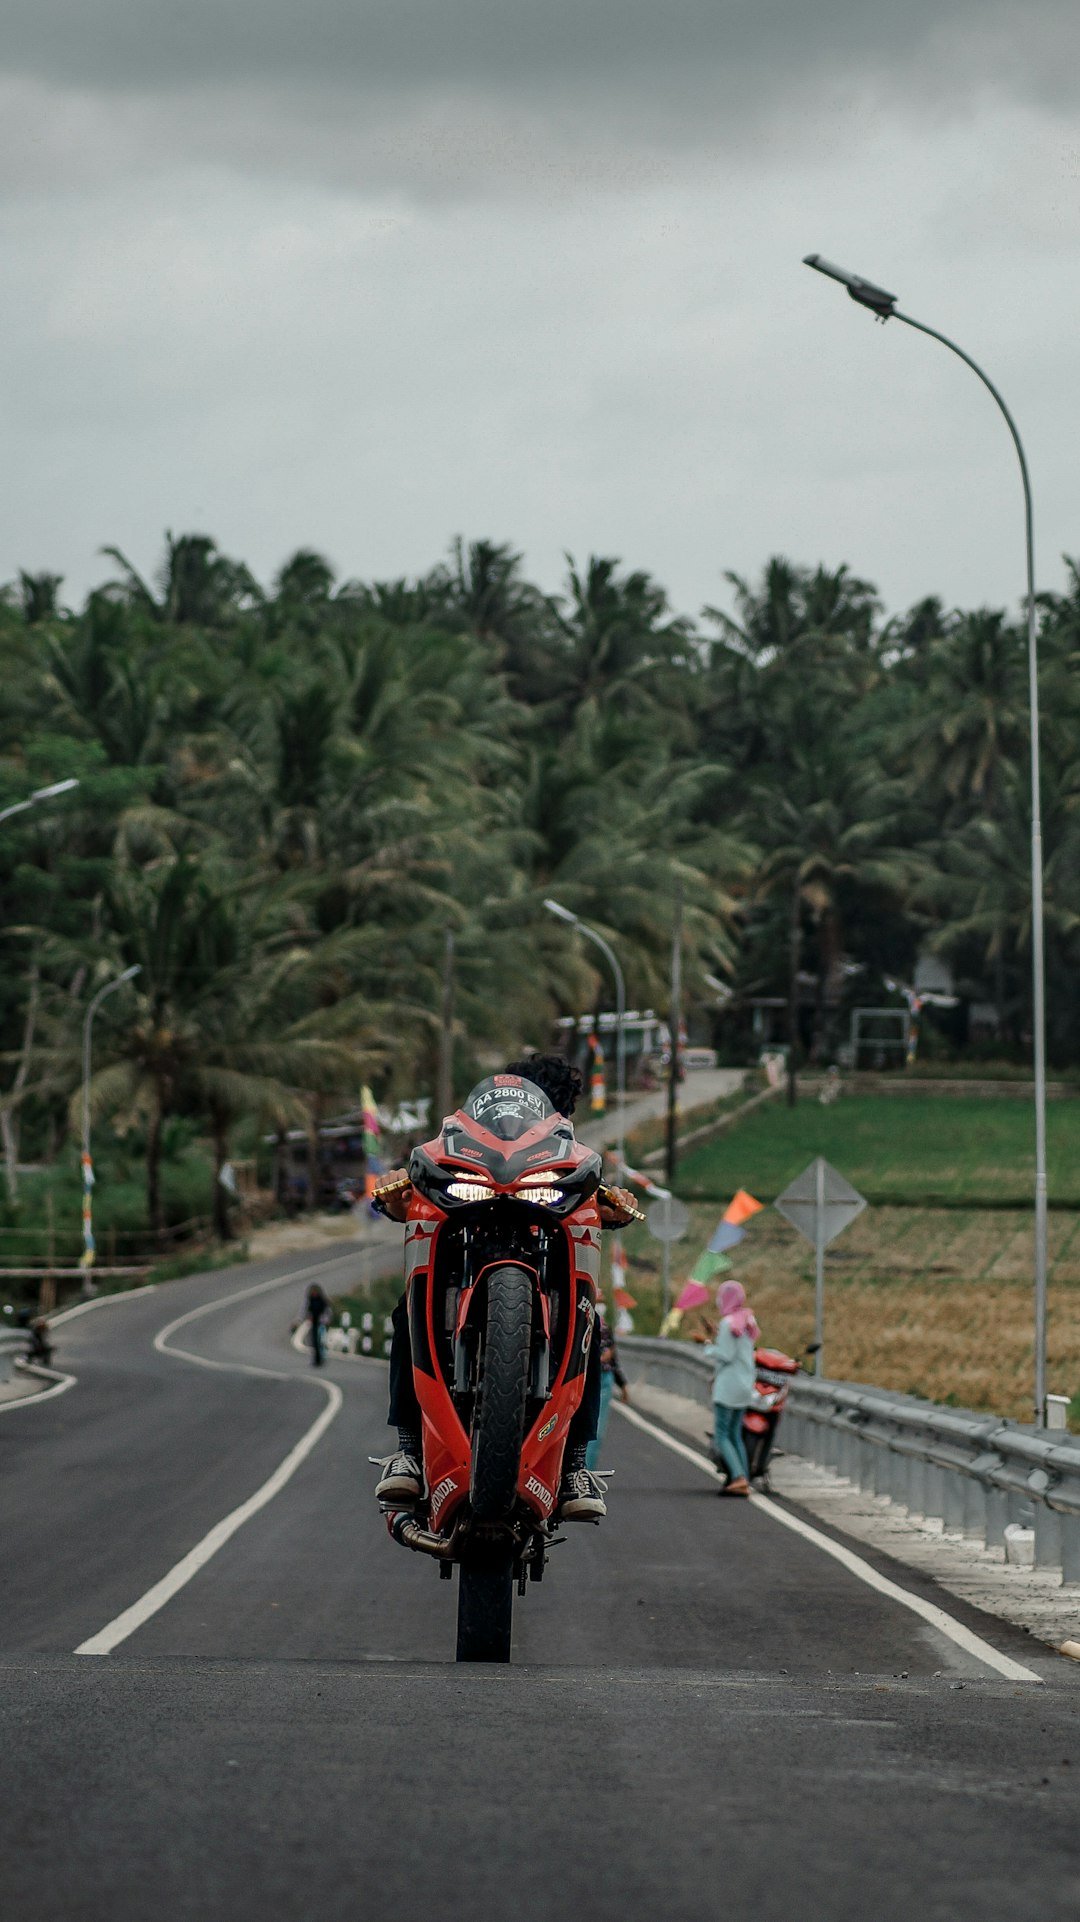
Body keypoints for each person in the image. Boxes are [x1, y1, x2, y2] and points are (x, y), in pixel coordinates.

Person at [372, 1052, 638, 1522]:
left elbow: (597, 1201)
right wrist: (400, 1189)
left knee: (587, 1326)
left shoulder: (566, 1159)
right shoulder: (462, 1144)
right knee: (407, 1311)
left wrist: (610, 1203)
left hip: (542, 1250)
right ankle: (409, 1450)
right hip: (469, 1239)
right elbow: (414, 1188)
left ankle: (574, 1464)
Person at [701, 1279, 760, 1496]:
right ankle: (743, 1476)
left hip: (728, 1386)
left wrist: (708, 1347)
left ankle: (738, 1477)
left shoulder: (728, 1323)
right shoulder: (747, 1319)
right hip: (745, 1384)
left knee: (722, 1434)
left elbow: (724, 1354)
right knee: (735, 1434)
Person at [585, 1301, 629, 1469]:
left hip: (602, 1378)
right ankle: (582, 1472)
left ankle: (586, 1472)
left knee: (594, 1431)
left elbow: (613, 1359)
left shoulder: (603, 1326)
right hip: (590, 1378)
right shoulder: (586, 1323)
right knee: (589, 1429)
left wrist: (622, 1384)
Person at [301, 1280, 331, 1367]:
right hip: (313, 1323)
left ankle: (321, 1358)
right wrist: (301, 1320)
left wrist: (326, 1319)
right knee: (314, 1342)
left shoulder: (322, 1300)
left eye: (315, 1292)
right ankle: (315, 1359)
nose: (314, 1293)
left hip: (321, 1323)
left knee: (321, 1341)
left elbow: (328, 1311)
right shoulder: (309, 1300)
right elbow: (304, 1310)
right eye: (312, 1292)